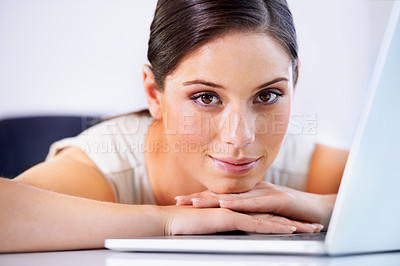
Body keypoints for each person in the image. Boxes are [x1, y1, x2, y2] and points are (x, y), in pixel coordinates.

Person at [0, 0, 348, 253]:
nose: (241, 137)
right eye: (206, 98)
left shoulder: (297, 165)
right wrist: (169, 221)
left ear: (294, 82)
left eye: (268, 95)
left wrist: (327, 208)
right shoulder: (108, 170)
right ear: (154, 93)